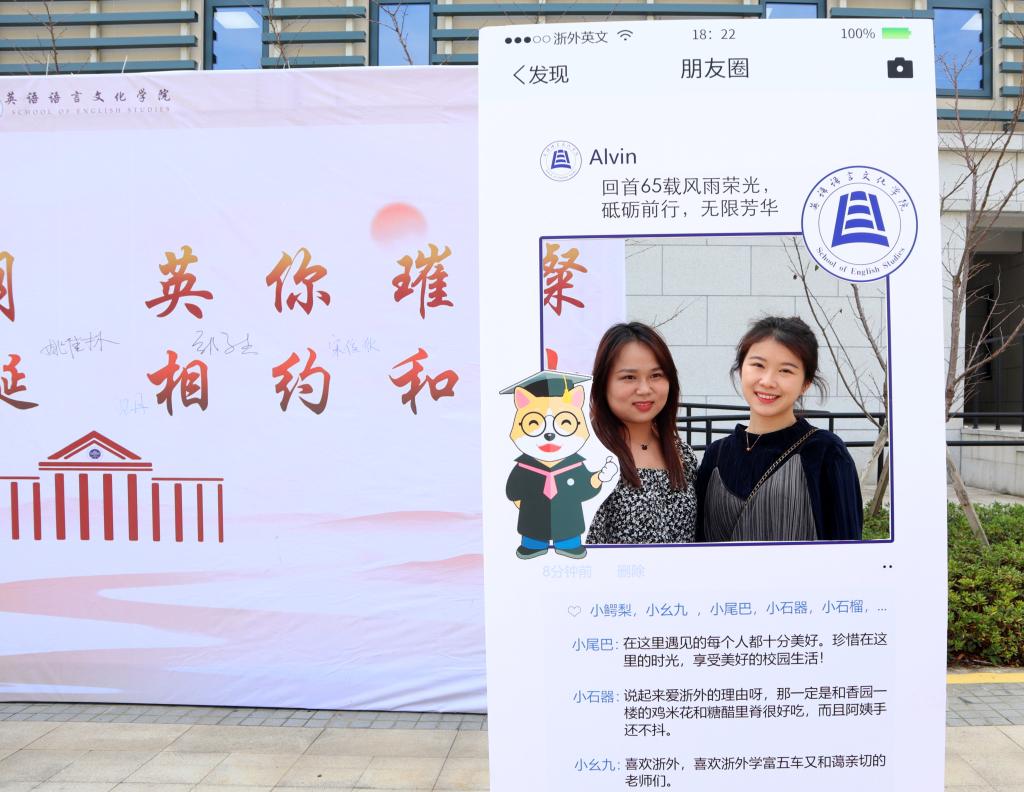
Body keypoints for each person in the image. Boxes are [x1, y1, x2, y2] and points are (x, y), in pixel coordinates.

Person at [695, 316, 863, 542]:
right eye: (758, 365)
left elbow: (849, 547)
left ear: (805, 383)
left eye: (785, 371)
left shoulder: (826, 452)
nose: (767, 381)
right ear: (741, 369)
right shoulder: (716, 454)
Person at [585, 322, 697, 544]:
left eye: (656, 375)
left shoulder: (682, 453)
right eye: (629, 377)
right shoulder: (588, 457)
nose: (645, 389)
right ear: (603, 383)